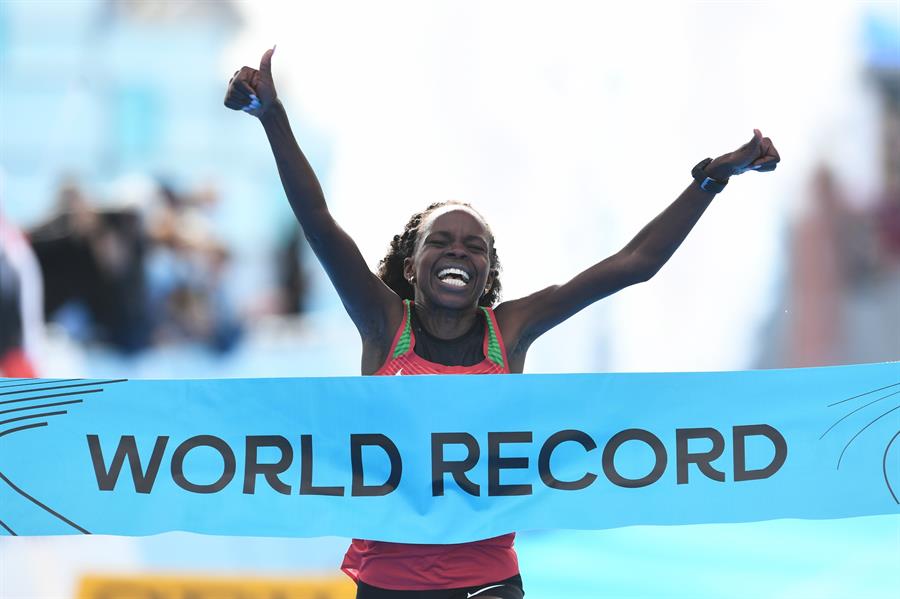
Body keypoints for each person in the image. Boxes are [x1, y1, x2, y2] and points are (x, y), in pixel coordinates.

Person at [224, 47, 780, 599]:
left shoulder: (510, 330)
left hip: (486, 582)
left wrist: (713, 178)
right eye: (439, 242)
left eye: (474, 247)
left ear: (488, 269)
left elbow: (635, 264)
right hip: (387, 584)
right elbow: (318, 223)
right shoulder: (382, 322)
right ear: (411, 265)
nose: (458, 253)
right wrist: (271, 116)